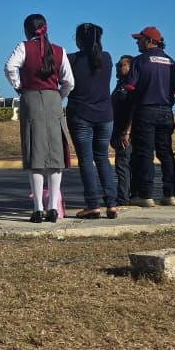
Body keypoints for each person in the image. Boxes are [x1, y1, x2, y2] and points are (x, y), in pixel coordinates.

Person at [5, 13, 75, 223]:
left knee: (35, 157)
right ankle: (53, 207)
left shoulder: (23, 47)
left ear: (27, 31)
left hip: (31, 99)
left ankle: (37, 209)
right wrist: (58, 96)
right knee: (55, 158)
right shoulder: (59, 50)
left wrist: (18, 86)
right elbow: (69, 82)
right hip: (53, 99)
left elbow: (9, 67)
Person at [123, 26, 175, 206]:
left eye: (139, 40)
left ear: (149, 41)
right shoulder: (172, 63)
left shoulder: (140, 61)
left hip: (145, 110)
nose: (137, 43)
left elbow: (130, 86)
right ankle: (170, 194)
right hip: (166, 112)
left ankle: (146, 195)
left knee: (145, 153)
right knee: (166, 153)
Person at [65, 23, 117, 219]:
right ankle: (112, 204)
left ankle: (93, 205)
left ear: (78, 40)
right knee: (102, 158)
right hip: (105, 116)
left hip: (81, 114)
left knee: (86, 160)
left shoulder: (71, 60)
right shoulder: (107, 58)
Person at [111, 55, 135, 207]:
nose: (118, 67)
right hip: (117, 130)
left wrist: (127, 131)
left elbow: (133, 110)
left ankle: (123, 198)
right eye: (117, 64)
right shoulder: (120, 85)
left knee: (123, 165)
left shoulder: (130, 85)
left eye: (122, 65)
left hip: (125, 133)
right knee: (123, 165)